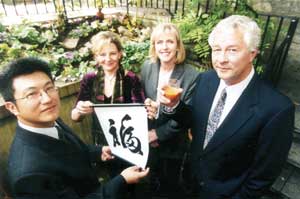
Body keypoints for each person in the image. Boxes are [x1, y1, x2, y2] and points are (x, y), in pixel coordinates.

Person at [157, 15, 295, 199]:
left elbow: (262, 177)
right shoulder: (206, 79)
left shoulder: (277, 109)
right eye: (216, 49)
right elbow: (197, 121)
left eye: (232, 50)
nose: (221, 59)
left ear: (252, 53)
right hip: (189, 186)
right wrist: (176, 106)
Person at [0, 57, 149, 199]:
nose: (47, 99)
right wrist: (121, 181)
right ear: (12, 107)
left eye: (49, 88)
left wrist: (98, 152)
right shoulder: (29, 175)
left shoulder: (49, 119)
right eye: (31, 94)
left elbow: (67, 150)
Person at [70, 32, 145, 195]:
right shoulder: (90, 79)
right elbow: (75, 117)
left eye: (112, 53)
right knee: (110, 186)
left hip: (127, 143)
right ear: (96, 57)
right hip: (102, 145)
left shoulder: (130, 78)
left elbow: (140, 112)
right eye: (102, 54)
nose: (108, 58)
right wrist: (80, 110)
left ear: (120, 54)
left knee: (130, 187)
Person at [141, 23, 199, 197]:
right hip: (148, 139)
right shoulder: (147, 67)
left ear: (178, 45)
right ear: (154, 46)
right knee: (150, 183)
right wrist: (147, 107)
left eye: (169, 42)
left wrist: (158, 134)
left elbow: (187, 114)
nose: (164, 47)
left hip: (173, 143)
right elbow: (142, 97)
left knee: (170, 187)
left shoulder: (191, 75)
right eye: (159, 42)